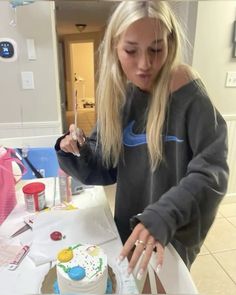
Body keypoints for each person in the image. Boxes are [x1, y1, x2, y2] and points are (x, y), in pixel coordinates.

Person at [55, 0, 228, 290]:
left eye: (156, 49)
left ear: (170, 45)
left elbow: (212, 171)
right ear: (115, 47)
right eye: (131, 51)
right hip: (131, 226)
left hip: (172, 228)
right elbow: (103, 167)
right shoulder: (118, 95)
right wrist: (74, 149)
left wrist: (163, 215)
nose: (145, 64)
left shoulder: (187, 92)